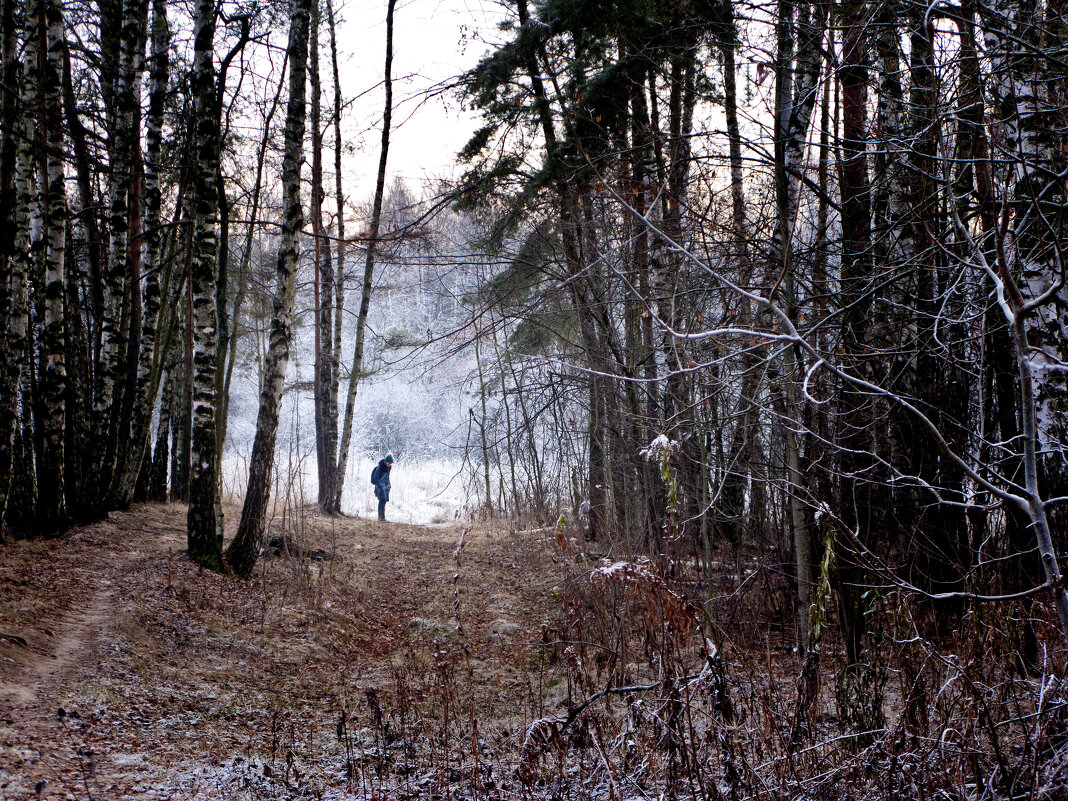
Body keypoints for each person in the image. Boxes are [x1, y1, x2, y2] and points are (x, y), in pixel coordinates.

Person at [371, 452, 394, 521]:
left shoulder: (389, 467)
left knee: (384, 501)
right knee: (382, 500)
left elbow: (387, 477)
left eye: (390, 463)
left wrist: (389, 485)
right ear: (386, 461)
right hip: (380, 486)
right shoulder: (379, 467)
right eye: (389, 463)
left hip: (386, 486)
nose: (389, 464)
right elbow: (376, 478)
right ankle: (381, 517)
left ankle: (382, 517)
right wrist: (380, 486)